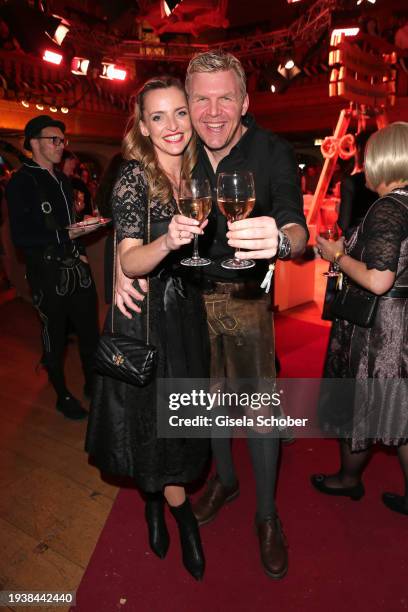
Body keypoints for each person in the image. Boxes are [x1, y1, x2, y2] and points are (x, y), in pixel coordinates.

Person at [117, 51, 308, 579]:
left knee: (259, 412)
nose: (213, 111)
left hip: (246, 301)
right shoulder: (182, 146)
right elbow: (139, 203)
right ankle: (224, 480)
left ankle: (267, 517)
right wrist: (121, 262)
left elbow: (297, 227)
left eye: (226, 97)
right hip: (187, 299)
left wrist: (282, 242)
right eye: (200, 99)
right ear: (186, 104)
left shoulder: (270, 150)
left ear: (245, 100)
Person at [85, 77, 210, 580]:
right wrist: (166, 244)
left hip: (185, 313)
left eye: (179, 112)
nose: (172, 126)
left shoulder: (201, 170)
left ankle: (160, 502)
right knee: (154, 424)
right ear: (142, 125)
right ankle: (176, 515)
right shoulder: (135, 176)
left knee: (184, 414)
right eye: (158, 117)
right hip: (147, 316)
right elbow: (130, 259)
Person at [311, 122, 408, 517]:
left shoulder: (388, 208)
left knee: (362, 404)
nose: (364, 167)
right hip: (402, 321)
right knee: (399, 410)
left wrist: (336, 254)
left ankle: (349, 480)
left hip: (379, 328)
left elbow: (378, 280)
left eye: (368, 159)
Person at [6, 115, 100, 419]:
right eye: (53, 140)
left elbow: (66, 227)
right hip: (46, 273)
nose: (61, 145)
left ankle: (93, 385)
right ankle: (61, 394)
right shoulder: (21, 181)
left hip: (76, 267)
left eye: (63, 140)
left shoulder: (61, 179)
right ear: (33, 142)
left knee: (90, 333)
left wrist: (82, 228)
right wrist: (66, 234)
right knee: (54, 336)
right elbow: (22, 237)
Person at [337, 130, 377, 240]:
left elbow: (344, 224)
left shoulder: (351, 182)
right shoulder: (392, 181)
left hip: (359, 244)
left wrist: (339, 210)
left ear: (359, 150)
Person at [61, 150, 93, 220]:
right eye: (70, 162)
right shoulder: (58, 183)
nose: (73, 165)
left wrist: (79, 214)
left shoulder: (71, 182)